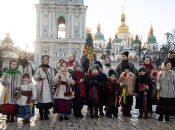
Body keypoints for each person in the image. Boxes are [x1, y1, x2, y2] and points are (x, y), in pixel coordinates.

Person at [34, 55, 55, 120]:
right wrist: (40, 77)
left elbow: (53, 78)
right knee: (41, 101)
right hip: (40, 87)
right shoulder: (39, 68)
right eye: (44, 59)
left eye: (47, 60)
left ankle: (46, 114)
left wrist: (53, 87)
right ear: (42, 60)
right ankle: (41, 115)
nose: (45, 61)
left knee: (46, 101)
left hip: (48, 88)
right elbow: (35, 77)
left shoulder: (51, 69)